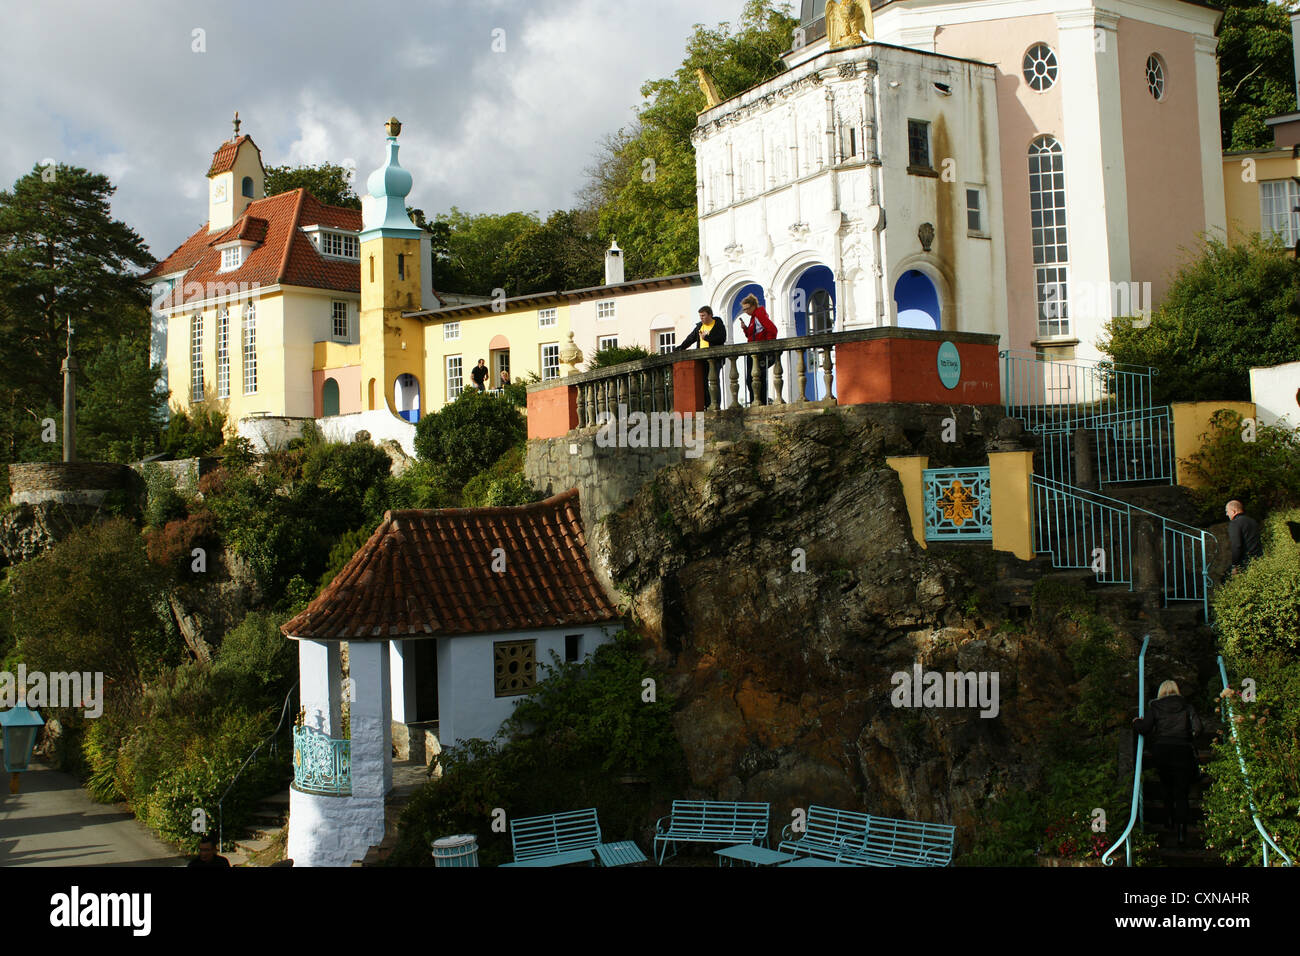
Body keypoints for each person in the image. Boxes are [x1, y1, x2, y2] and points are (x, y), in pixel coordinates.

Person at [1133, 680, 1202, 848]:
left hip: (1162, 750)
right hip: (1182, 750)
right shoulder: (1186, 706)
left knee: (1166, 785)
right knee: (1182, 793)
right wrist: (1188, 737)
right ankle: (1181, 833)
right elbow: (1199, 728)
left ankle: (1168, 818)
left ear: (1161, 692)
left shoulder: (1155, 706)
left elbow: (1145, 728)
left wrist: (1136, 722)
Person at [739, 293, 777, 405]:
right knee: (752, 379)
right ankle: (756, 401)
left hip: (759, 352)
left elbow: (773, 330)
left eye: (747, 309)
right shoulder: (753, 318)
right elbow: (753, 335)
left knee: (754, 379)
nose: (745, 311)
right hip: (753, 351)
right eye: (744, 309)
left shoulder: (759, 315)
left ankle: (758, 401)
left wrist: (767, 346)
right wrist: (745, 329)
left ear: (753, 306)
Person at [1225, 500, 1263, 573]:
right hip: (1258, 559)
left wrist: (1234, 565)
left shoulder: (1235, 523)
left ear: (1233, 511)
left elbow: (1237, 545)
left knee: (1225, 579)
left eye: (1227, 511)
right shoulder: (1253, 521)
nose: (1227, 514)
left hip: (1245, 562)